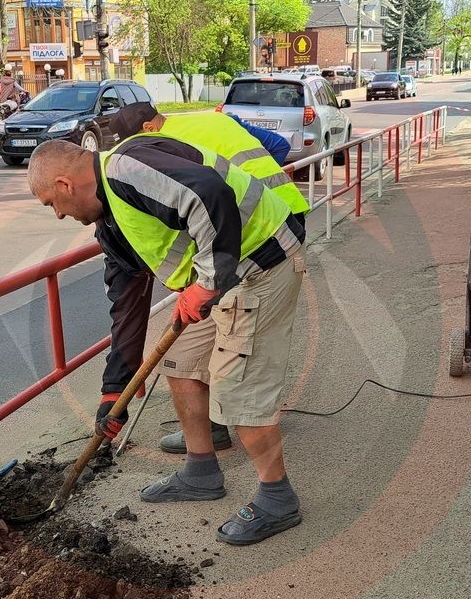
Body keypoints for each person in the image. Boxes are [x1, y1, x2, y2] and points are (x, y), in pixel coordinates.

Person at [27, 137, 307, 546]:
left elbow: (210, 194)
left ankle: (277, 498)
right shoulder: (111, 222)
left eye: (52, 202)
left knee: (237, 386)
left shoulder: (127, 169)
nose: (57, 215)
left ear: (66, 184)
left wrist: (208, 283)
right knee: (180, 360)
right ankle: (201, 471)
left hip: (261, 263)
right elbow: (126, 301)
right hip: (220, 277)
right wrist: (114, 390)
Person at [108, 102, 309, 455]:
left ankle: (240, 423)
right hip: (272, 218)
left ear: (148, 131)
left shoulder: (158, 152)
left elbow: (210, 200)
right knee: (202, 344)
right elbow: (277, 146)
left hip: (257, 237)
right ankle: (214, 428)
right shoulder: (213, 119)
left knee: (239, 346)